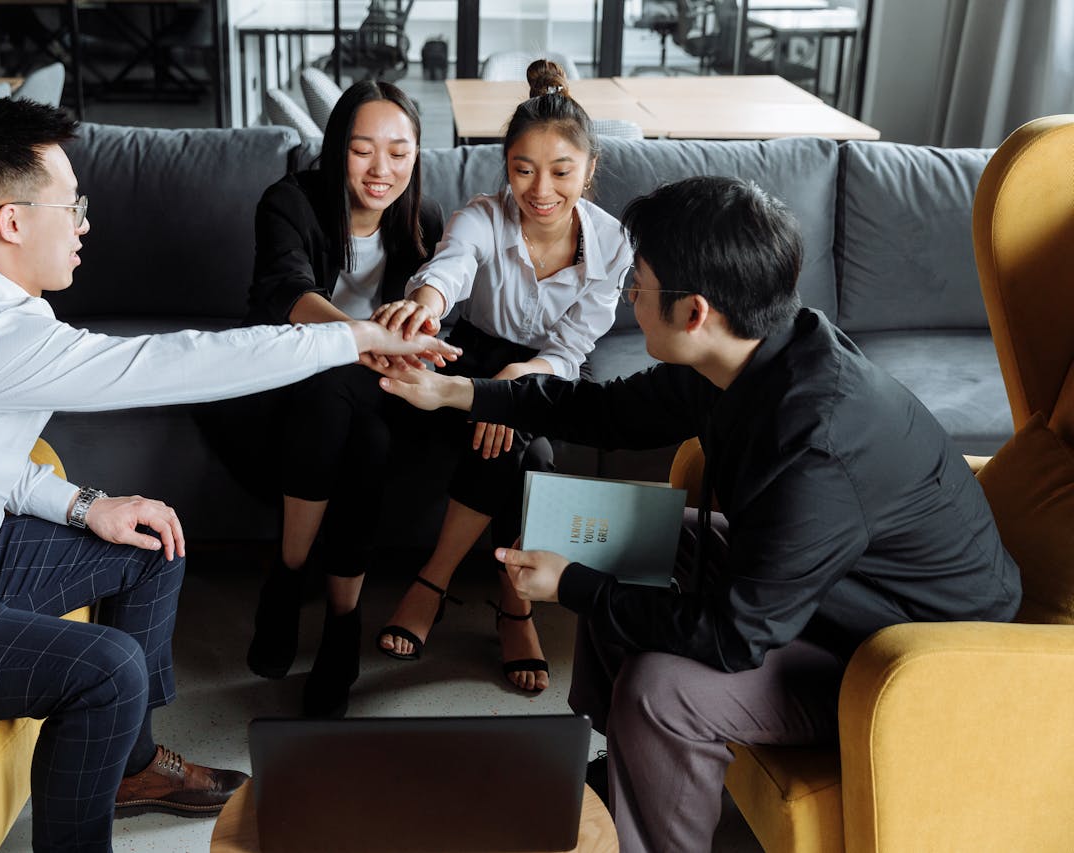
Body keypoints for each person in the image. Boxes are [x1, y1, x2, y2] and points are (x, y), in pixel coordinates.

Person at [0, 98, 456, 853]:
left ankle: (129, 768)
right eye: (71, 205)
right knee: (106, 669)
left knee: (148, 543)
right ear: (11, 222)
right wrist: (353, 338)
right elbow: (172, 363)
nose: (84, 223)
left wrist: (85, 506)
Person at [377, 176, 1020, 852]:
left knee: (662, 688)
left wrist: (572, 585)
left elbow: (734, 636)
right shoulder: (755, 349)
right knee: (624, 534)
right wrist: (454, 391)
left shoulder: (816, 442)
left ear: (695, 311)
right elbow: (606, 411)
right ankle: (628, 767)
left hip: (915, 656)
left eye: (639, 283)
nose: (629, 296)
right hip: (836, 591)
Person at [374, 59, 633, 694]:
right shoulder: (483, 216)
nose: (540, 190)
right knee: (526, 449)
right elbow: (451, 267)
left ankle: (432, 582)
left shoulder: (613, 243)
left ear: (589, 170)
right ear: (506, 168)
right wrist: (426, 304)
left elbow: (572, 346)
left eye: (561, 171)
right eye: (523, 170)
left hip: (551, 366)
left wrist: (521, 380)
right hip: (475, 353)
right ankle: (514, 608)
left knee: (518, 435)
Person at [220, 79, 443, 718]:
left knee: (365, 425)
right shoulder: (289, 202)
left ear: (417, 154)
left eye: (399, 152)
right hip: (287, 383)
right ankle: (313, 596)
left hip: (377, 392)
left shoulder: (424, 220)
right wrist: (361, 339)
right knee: (331, 393)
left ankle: (310, 596)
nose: (381, 170)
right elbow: (285, 291)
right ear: (337, 146)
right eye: (362, 150)